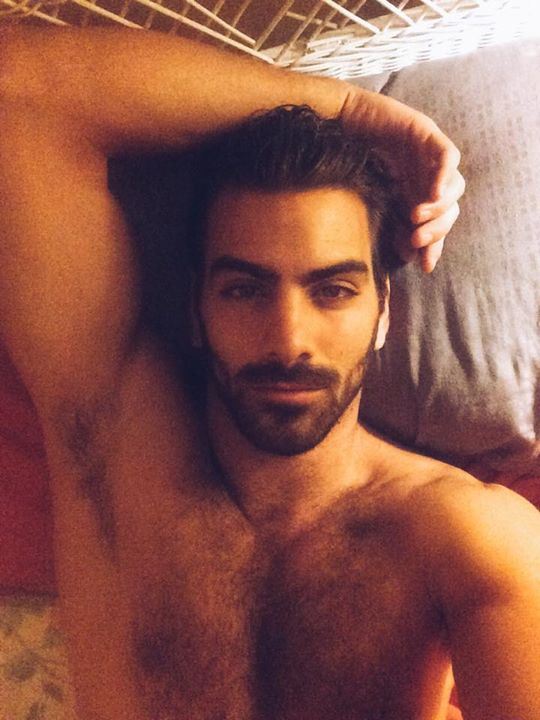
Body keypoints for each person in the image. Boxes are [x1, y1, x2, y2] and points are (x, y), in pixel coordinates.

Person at [0, 25, 538, 720]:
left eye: (333, 290)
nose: (288, 339)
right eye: (245, 289)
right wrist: (348, 108)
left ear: (384, 314)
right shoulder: (114, 456)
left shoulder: (462, 538)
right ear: (195, 309)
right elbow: (18, 86)